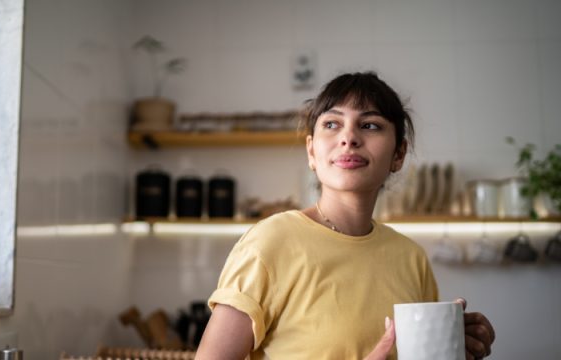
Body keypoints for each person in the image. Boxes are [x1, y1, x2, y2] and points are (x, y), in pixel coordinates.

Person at [195, 72, 495, 360]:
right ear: (312, 151)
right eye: (332, 124)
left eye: (371, 125)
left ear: (398, 154)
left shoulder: (411, 258)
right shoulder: (270, 243)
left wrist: (454, 347)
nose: (349, 137)